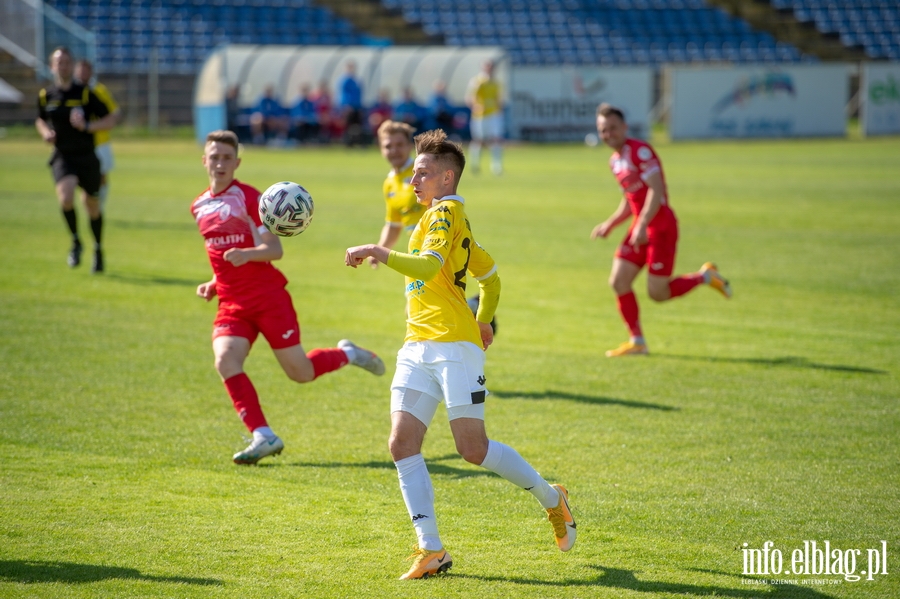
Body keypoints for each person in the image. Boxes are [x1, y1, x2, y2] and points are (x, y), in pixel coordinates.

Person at [345, 129, 576, 580]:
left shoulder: (446, 215)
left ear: (447, 178)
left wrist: (377, 249)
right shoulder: (437, 217)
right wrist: (486, 317)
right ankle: (431, 549)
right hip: (417, 345)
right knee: (401, 443)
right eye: (414, 172)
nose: (415, 180)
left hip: (453, 346)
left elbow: (430, 267)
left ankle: (553, 498)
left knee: (473, 450)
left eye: (424, 173)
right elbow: (489, 276)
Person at [192, 130, 385, 465]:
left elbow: (273, 249)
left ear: (237, 162)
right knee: (225, 360)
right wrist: (214, 281)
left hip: (268, 299)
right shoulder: (199, 205)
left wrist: (246, 254)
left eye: (227, 157)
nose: (220, 163)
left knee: (301, 373)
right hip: (232, 303)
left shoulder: (252, 200)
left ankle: (347, 354)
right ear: (204, 160)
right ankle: (263, 435)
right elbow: (221, 254)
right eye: (214, 156)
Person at [591, 103, 732, 357]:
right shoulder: (615, 160)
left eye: (612, 128)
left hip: (661, 226)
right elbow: (630, 198)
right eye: (603, 130)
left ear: (624, 127)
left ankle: (705, 276)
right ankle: (637, 341)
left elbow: (656, 190)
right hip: (641, 225)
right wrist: (610, 224)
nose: (608, 134)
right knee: (618, 281)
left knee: (658, 293)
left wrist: (643, 224)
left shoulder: (640, 152)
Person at [35, 47, 117, 273]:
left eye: (67, 62)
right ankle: (76, 241)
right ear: (52, 66)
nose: (63, 66)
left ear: (72, 66)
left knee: (92, 205)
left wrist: (87, 126)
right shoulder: (46, 96)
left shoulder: (85, 93)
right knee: (66, 197)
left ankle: (98, 249)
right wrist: (45, 133)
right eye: (59, 62)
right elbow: (40, 120)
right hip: (63, 156)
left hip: (87, 157)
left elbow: (110, 119)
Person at [366, 120, 424, 270]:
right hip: (419, 250)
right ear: (381, 149)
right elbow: (393, 225)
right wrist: (379, 250)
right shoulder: (389, 183)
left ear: (410, 146)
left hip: (439, 246)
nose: (394, 150)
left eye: (399, 145)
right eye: (388, 146)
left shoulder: (424, 171)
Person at [74, 59, 119, 215]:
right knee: (81, 179)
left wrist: (93, 126)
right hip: (79, 144)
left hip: (101, 141)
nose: (83, 74)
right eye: (80, 70)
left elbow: (113, 112)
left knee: (102, 177)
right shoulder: (71, 92)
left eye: (86, 70)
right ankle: (90, 207)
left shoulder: (99, 90)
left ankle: (99, 208)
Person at [465, 60, 504, 175]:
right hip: (480, 116)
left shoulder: (495, 83)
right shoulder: (477, 81)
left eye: (491, 67)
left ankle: (496, 167)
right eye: (487, 67)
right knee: (478, 140)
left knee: (496, 139)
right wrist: (475, 106)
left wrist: (499, 109)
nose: (489, 69)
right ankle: (475, 165)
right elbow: (469, 97)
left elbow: (498, 98)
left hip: (493, 115)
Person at [337, 61, 364, 146]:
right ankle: (347, 142)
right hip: (348, 107)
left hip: (356, 107)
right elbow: (343, 94)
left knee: (357, 125)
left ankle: (357, 141)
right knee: (348, 125)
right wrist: (346, 105)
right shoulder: (344, 80)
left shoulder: (356, 80)